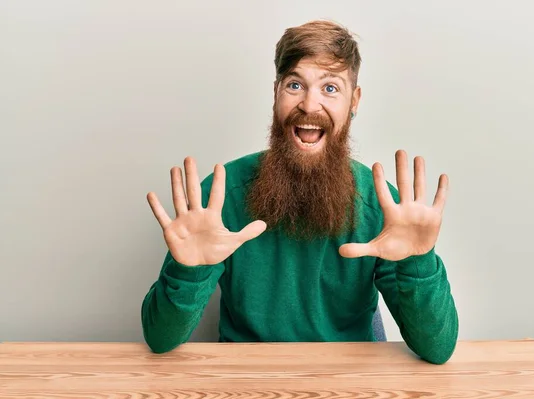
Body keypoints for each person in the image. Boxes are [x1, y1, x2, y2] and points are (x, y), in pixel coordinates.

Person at [141, 20, 459, 364]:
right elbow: (160, 340)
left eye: (330, 89)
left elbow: (436, 349)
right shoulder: (220, 198)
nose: (309, 105)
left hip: (350, 377)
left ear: (355, 100)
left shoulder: (383, 206)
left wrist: (419, 261)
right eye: (295, 85)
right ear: (276, 91)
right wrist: (188, 271)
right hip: (247, 376)